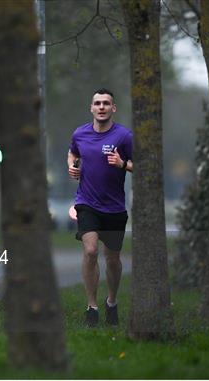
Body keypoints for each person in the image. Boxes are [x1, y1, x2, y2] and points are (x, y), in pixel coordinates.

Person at [68, 88, 133, 327]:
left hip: (115, 207)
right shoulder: (80, 134)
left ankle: (112, 303)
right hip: (87, 203)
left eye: (106, 103)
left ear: (113, 108)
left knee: (112, 259)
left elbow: (144, 164)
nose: (102, 107)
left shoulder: (124, 136)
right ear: (91, 108)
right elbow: (72, 152)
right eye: (97, 103)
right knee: (91, 251)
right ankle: (92, 307)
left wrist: (123, 163)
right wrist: (72, 167)